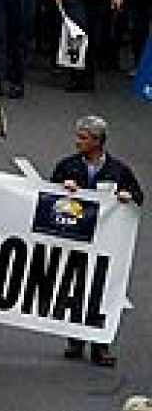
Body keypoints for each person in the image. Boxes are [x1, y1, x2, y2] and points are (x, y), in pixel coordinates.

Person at [50, 115, 143, 367]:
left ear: (98, 142)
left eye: (84, 138)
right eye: (77, 136)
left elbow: (138, 196)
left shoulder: (118, 170)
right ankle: (76, 339)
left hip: (106, 242)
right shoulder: (67, 166)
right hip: (75, 239)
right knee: (75, 289)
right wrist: (61, 186)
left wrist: (127, 196)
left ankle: (100, 345)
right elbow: (47, 195)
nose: (77, 142)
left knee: (101, 291)